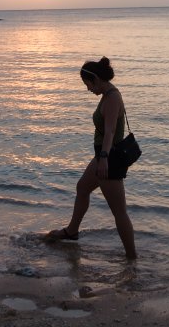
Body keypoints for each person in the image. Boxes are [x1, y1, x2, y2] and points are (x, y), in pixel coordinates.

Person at [46, 56, 137, 259]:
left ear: (96, 79)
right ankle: (72, 231)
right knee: (82, 187)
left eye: (88, 84)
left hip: (109, 159)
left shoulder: (112, 97)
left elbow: (111, 131)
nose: (88, 89)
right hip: (102, 156)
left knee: (119, 212)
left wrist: (103, 158)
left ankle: (132, 258)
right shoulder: (106, 95)